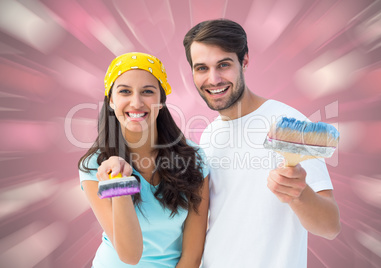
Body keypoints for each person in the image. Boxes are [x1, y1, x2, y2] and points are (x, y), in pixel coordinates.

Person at [183, 19, 341, 267]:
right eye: (201, 68)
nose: (213, 79)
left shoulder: (288, 125)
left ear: (244, 61)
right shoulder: (210, 134)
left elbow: (330, 227)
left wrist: (300, 194)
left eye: (223, 65)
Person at [78, 52, 209, 268]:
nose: (136, 102)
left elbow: (193, 255)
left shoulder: (194, 159)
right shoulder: (94, 166)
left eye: (147, 92)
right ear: (111, 100)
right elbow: (130, 255)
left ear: (161, 99)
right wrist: (117, 184)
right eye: (125, 92)